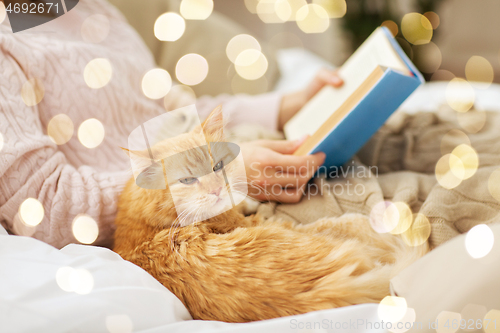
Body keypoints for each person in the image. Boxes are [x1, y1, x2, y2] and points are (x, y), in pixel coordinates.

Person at [0, 0, 342, 248]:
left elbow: (176, 113)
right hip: (165, 231)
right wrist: (219, 174)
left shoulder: (96, 11)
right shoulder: (7, 45)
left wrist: (287, 104)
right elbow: (45, 208)